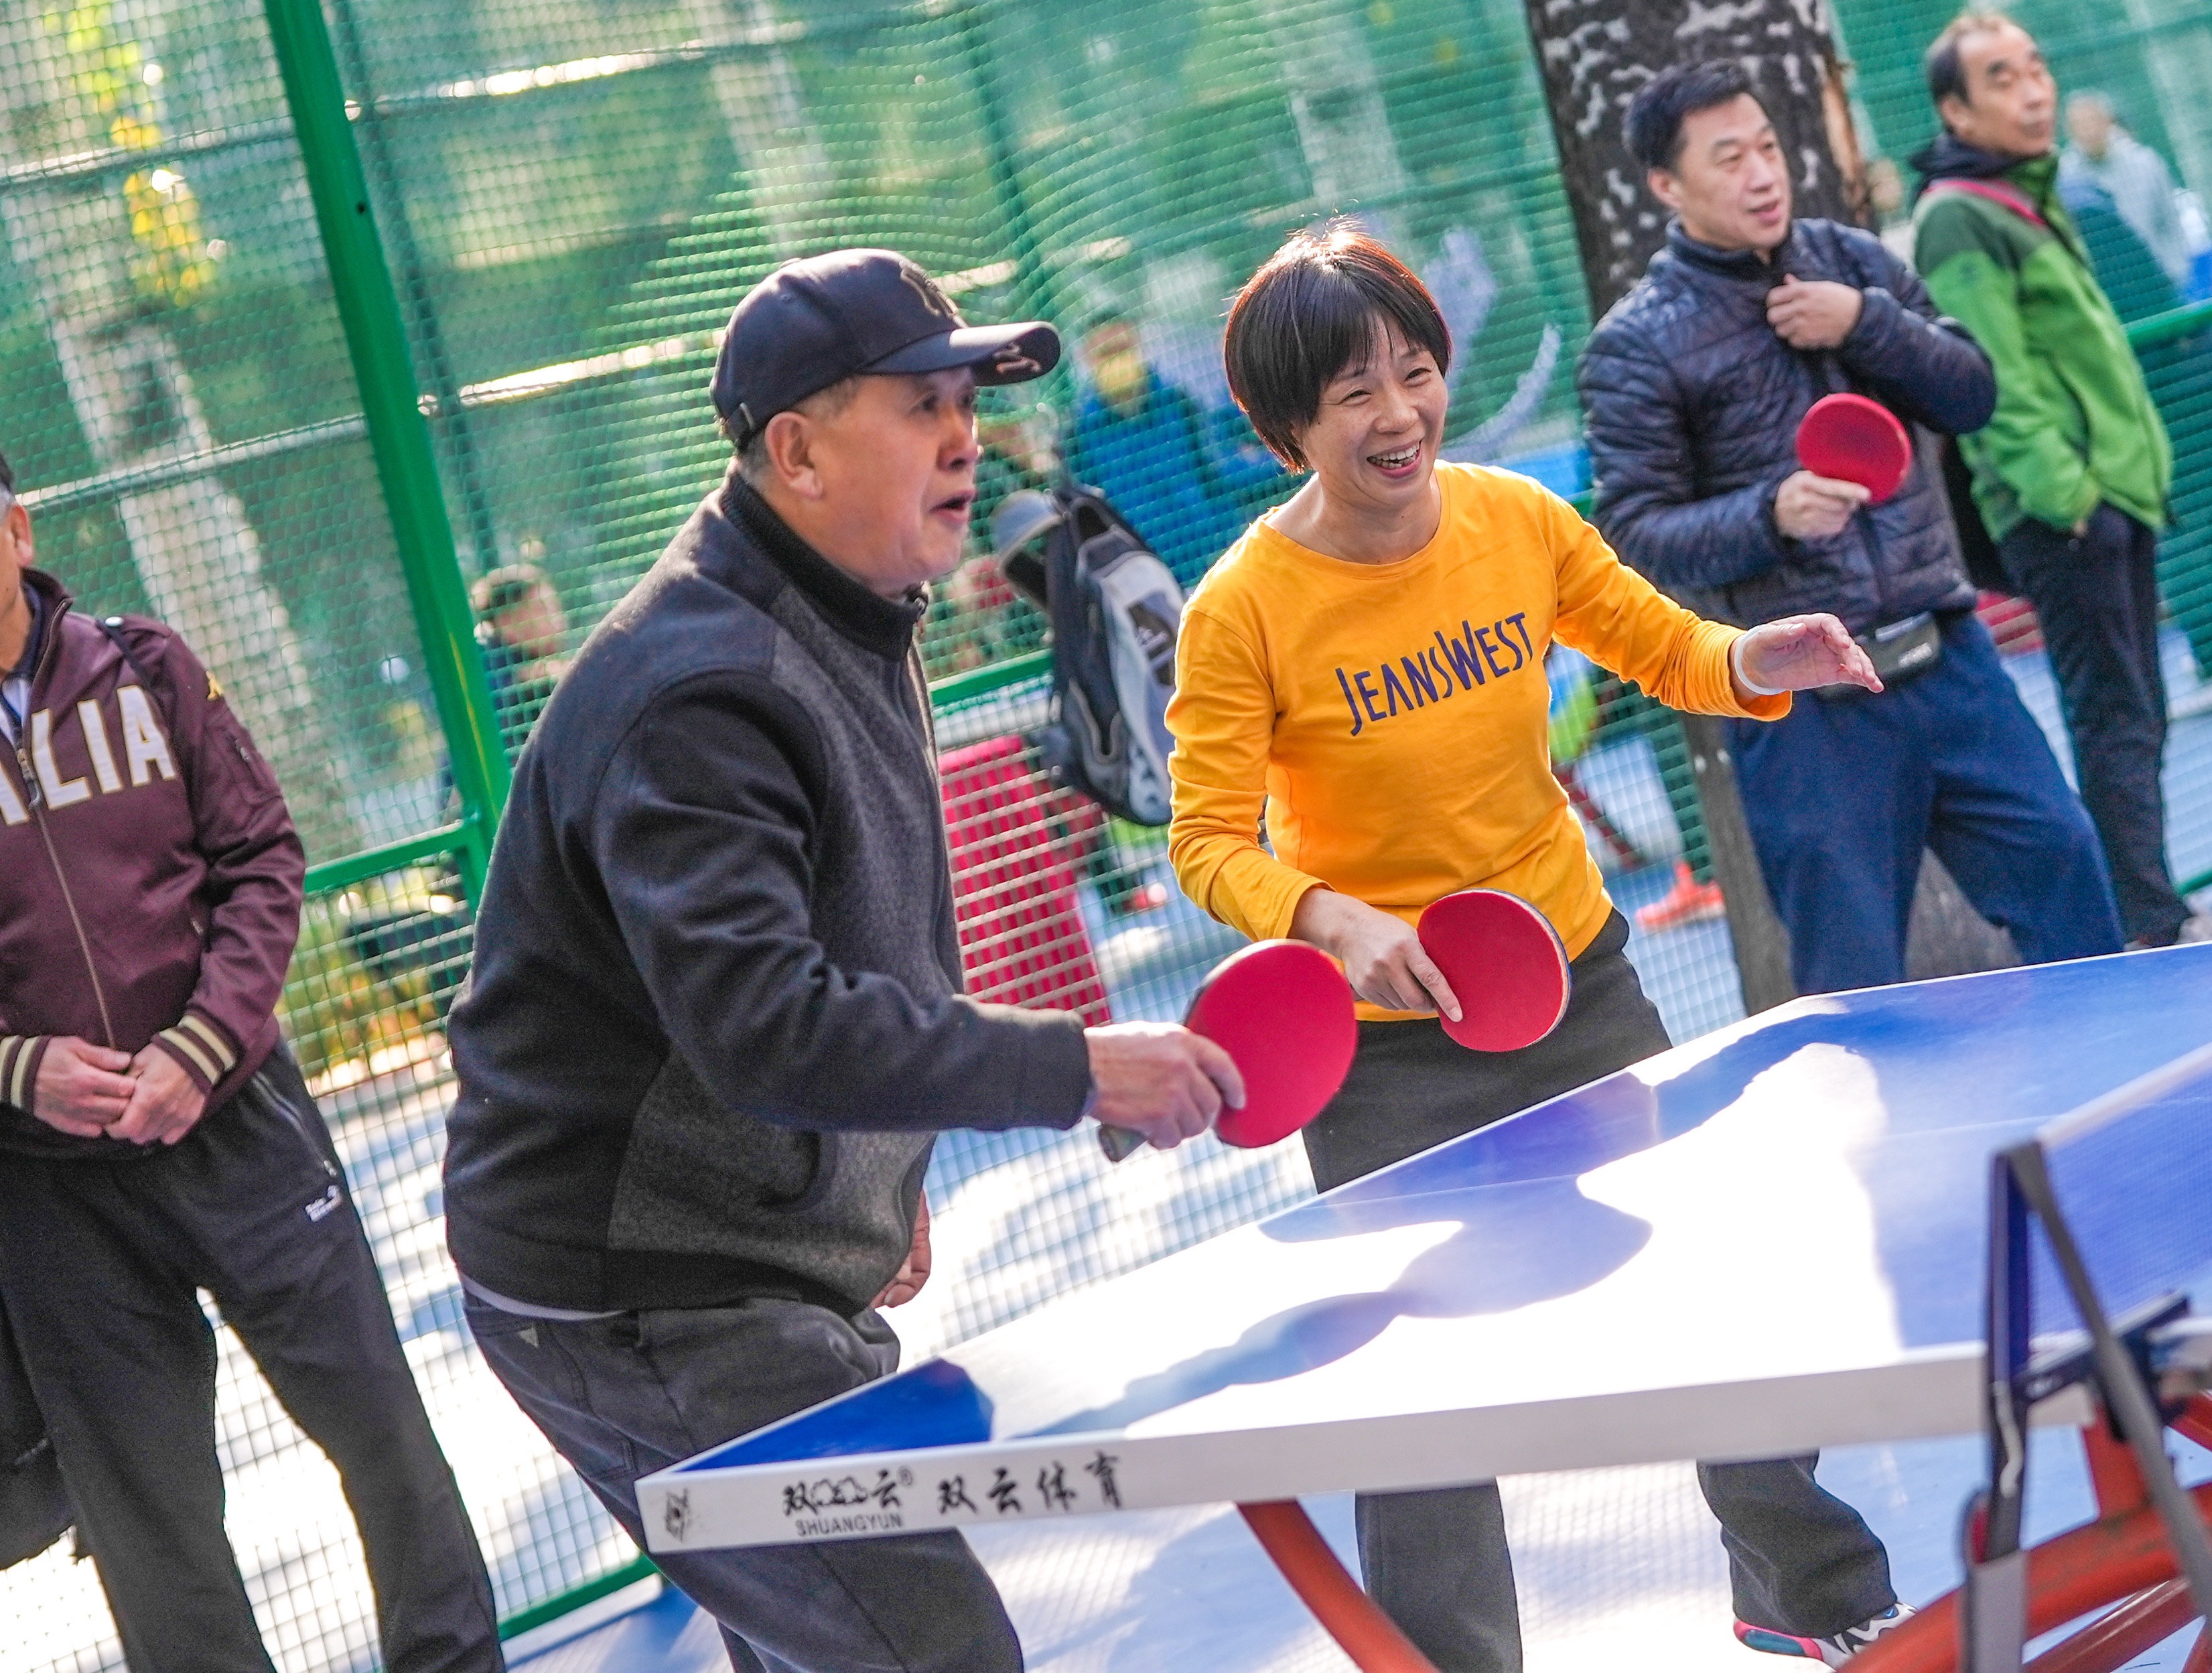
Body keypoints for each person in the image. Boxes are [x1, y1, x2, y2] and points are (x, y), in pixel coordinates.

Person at [443, 250, 1246, 1673]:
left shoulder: (845, 605)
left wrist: (870, 1175)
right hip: (641, 1290)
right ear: (798, 453)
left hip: (739, 1248)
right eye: (923, 406)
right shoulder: (705, 686)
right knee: (931, 1652)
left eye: (969, 405)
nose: (966, 439)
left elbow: (838, 946)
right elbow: (765, 1024)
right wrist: (1075, 1067)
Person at [1170, 223, 1913, 1668]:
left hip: (1571, 985)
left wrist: (1757, 657)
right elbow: (1205, 842)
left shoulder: (1514, 519)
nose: (1400, 412)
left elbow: (1666, 645)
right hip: (1387, 1055)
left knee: (1709, 1287)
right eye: (1354, 394)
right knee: (1421, 1399)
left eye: (1416, 370)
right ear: (1285, 430)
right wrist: (1327, 918)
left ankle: (1804, 1587)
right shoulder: (1242, 611)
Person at [0, 447, 504, 1673]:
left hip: (235, 1122)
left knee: (380, 1429)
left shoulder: (148, 667)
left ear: (17, 532)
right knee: (151, 1523)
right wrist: (18, 1069)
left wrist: (200, 1043)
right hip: (51, 1185)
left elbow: (265, 857)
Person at [1581, 59, 2123, 994]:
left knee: (2069, 869)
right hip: (1805, 705)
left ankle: (2125, 1075)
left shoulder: (1854, 263)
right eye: (1729, 159)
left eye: (1767, 147)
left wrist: (1865, 323)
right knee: (1851, 975)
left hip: (1944, 653)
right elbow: (1633, 530)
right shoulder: (1637, 343)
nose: (1764, 174)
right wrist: (1770, 514)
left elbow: (1971, 392)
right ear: (1667, 186)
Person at [1910, 15, 2212, 951]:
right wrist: (2070, 499)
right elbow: (1992, 381)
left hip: (2114, 498)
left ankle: (2153, 912)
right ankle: (2145, 926)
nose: (2033, 91)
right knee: (2114, 719)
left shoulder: (2028, 192)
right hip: (2066, 515)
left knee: (2138, 713)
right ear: (1956, 110)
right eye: (2002, 79)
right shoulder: (1957, 216)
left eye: (2036, 69)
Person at [2054, 149, 2212, 718]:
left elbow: (2136, 314)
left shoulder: (2074, 216)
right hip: (2187, 374)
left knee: (2178, 525)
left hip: (2170, 387)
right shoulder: (2077, 205)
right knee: (2211, 514)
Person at [1065, 311, 1286, 587]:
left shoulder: (1179, 403)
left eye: (1123, 349)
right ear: (1089, 359)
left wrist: (1288, 461)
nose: (1117, 361)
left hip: (1217, 560)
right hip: (1149, 581)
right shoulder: (1080, 435)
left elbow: (1222, 469)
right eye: (1106, 353)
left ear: (1138, 345)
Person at [2059, 90, 2196, 289]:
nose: (2089, 131)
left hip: (2160, 282)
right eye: (2079, 124)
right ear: (2069, 130)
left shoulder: (2146, 163)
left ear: (2108, 121)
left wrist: (2177, 272)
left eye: (2093, 120)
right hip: (2103, 288)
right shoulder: (2063, 179)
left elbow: (2171, 221)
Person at [470, 560, 571, 755]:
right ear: (506, 621)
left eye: (555, 607)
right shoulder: (483, 663)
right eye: (542, 609)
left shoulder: (529, 660)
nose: (558, 619)